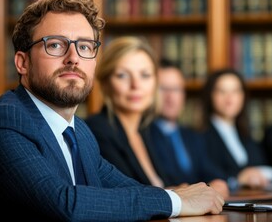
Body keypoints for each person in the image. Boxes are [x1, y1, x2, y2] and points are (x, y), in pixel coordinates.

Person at [0, 0, 223, 221]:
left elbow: (128, 190)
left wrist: (186, 195)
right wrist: (176, 201)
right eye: (55, 44)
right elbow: (66, 204)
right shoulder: (3, 124)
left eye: (85, 46)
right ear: (22, 63)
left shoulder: (80, 133)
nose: (73, 58)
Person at [85, 37, 228, 196]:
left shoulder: (144, 132)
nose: (136, 85)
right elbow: (125, 196)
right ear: (105, 83)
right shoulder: (97, 130)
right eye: (123, 75)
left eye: (145, 75)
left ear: (154, 82)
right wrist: (177, 194)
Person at [201, 69, 272, 189]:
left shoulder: (245, 135)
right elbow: (205, 176)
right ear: (210, 96)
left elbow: (258, 167)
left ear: (243, 96)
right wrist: (236, 179)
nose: (229, 98)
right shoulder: (200, 137)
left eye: (235, 91)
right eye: (222, 91)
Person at [151, 59, 230, 195]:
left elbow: (214, 174)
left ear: (183, 95)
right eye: (163, 89)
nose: (170, 97)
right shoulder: (143, 135)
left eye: (176, 89)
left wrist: (217, 183)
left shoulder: (192, 136)